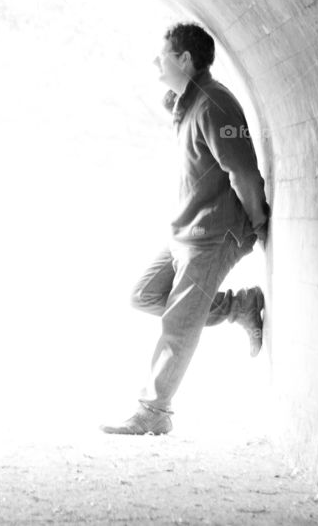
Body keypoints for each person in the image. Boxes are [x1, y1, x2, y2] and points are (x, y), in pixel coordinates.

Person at [101, 22, 269, 435]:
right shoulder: (189, 101)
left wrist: (259, 222)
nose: (155, 62)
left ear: (185, 59)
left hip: (215, 234)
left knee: (179, 321)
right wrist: (175, 98)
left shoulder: (214, 104)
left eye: (163, 55)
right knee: (144, 294)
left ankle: (154, 412)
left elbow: (243, 170)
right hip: (186, 231)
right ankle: (239, 306)